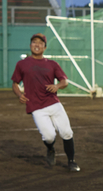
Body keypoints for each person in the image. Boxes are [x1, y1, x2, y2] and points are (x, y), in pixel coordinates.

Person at [11, 33, 78, 171]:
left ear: (45, 47)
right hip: (36, 106)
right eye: (34, 42)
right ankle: (50, 149)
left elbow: (64, 81)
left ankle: (71, 161)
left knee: (67, 132)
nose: (37, 45)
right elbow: (15, 83)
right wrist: (19, 94)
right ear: (30, 46)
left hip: (53, 102)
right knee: (49, 136)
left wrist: (57, 86)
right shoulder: (22, 64)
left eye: (40, 43)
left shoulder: (52, 64)